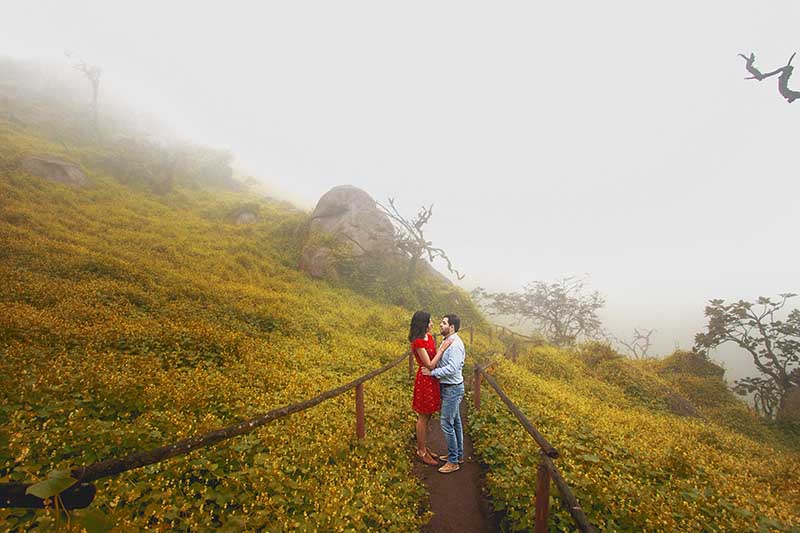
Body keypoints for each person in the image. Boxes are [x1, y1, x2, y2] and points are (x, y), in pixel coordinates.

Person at [421, 314, 465, 473]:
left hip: (452, 388)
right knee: (456, 422)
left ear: (451, 327)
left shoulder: (454, 344)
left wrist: (432, 373)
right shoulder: (448, 341)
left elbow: (452, 368)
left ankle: (453, 461)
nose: (440, 325)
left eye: (444, 323)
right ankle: (457, 455)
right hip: (451, 387)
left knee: (446, 423)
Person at [409, 310, 453, 466]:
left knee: (428, 416)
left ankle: (424, 447)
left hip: (432, 379)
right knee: (422, 416)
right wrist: (443, 348)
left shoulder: (428, 337)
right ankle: (421, 451)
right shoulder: (418, 341)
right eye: (429, 322)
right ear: (423, 324)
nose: (432, 324)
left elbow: (433, 363)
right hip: (424, 380)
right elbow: (429, 364)